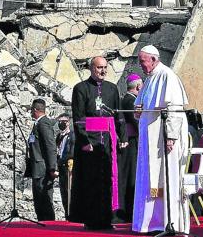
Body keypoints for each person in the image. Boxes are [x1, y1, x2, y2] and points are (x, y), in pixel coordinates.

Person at [132, 45, 190, 234]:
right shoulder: (149, 79)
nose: (141, 65)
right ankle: (150, 223)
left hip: (164, 139)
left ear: (154, 60)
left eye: (143, 61)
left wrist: (171, 136)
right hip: (150, 139)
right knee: (149, 179)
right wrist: (138, 109)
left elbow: (175, 108)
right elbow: (140, 105)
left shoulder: (167, 76)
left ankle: (168, 222)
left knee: (167, 178)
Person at [70, 56, 127, 230]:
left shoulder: (112, 88)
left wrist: (122, 137)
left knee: (108, 179)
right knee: (91, 180)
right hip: (90, 141)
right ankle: (91, 220)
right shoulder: (81, 88)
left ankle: (108, 218)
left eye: (105, 67)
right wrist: (84, 141)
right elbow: (78, 118)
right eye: (99, 68)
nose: (103, 71)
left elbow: (119, 115)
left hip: (108, 141)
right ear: (91, 68)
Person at [24, 99, 58, 221]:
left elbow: (50, 146)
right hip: (36, 168)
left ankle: (49, 226)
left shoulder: (43, 123)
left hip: (43, 168)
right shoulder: (37, 124)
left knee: (44, 199)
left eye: (31, 110)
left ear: (35, 110)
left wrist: (53, 167)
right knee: (39, 200)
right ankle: (42, 223)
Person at [117, 73, 142, 222]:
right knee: (129, 177)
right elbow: (137, 122)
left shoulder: (127, 99)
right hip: (131, 144)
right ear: (138, 86)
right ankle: (127, 211)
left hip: (131, 143)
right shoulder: (130, 101)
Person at [55, 113, 75, 220]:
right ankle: (66, 214)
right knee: (63, 191)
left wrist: (62, 160)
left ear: (68, 122)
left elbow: (71, 152)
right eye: (59, 121)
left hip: (68, 167)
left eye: (63, 121)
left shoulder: (72, 135)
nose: (61, 123)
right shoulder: (59, 136)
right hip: (61, 167)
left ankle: (71, 215)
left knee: (69, 191)